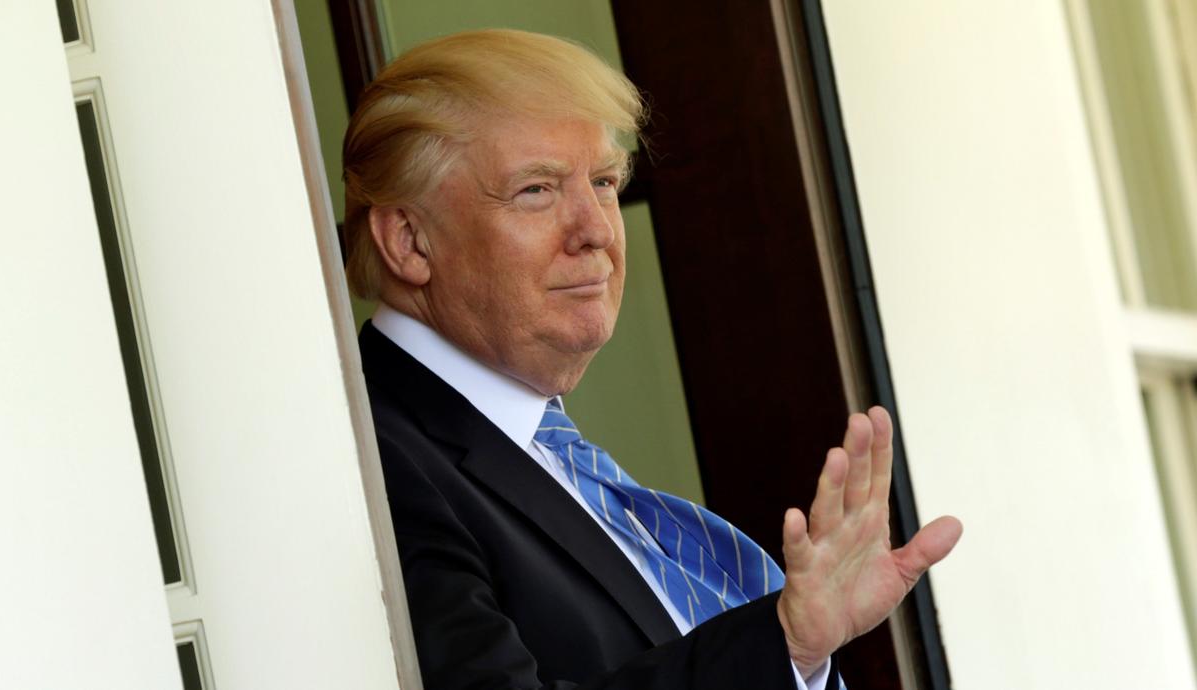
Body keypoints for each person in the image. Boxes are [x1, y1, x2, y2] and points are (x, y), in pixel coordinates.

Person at [342, 28, 962, 690]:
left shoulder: (549, 455)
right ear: (409, 241)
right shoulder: (365, 458)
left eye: (606, 180)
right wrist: (780, 647)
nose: (599, 231)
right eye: (537, 190)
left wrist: (793, 655)